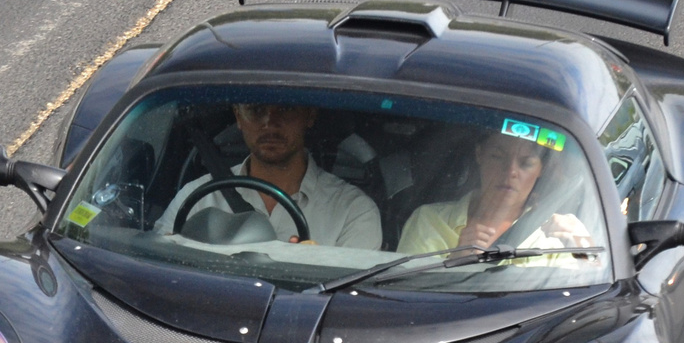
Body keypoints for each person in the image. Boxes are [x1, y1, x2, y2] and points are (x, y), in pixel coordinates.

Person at [157, 103, 382, 249]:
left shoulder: (354, 211)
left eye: (286, 109)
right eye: (256, 110)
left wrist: (318, 271)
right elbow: (159, 265)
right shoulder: (196, 197)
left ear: (310, 115)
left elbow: (348, 304)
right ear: (238, 116)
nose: (269, 122)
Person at [398, 131, 595, 255]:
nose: (510, 172)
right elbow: (402, 296)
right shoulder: (429, 220)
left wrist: (584, 247)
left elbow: (594, 293)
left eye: (526, 163)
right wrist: (457, 260)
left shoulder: (558, 236)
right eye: (497, 157)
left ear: (541, 170)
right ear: (479, 154)